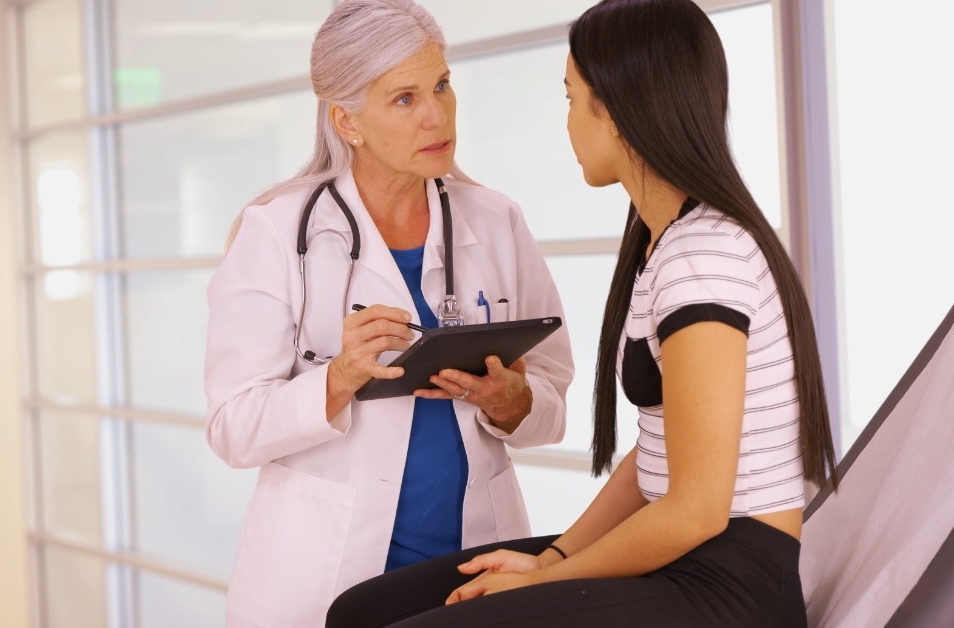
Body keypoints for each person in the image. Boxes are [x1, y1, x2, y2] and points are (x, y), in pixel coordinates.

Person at [325, 0, 840, 626]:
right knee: (363, 612)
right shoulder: (665, 243)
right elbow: (658, 453)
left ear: (618, 113)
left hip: (729, 585)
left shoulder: (704, 255)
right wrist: (556, 555)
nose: (567, 122)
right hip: (685, 555)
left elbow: (699, 510)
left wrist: (551, 576)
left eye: (571, 98)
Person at [204, 1, 574, 626]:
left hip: (471, 567)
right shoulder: (277, 231)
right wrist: (338, 378)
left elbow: (553, 398)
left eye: (441, 85)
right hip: (323, 575)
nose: (437, 115)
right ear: (346, 120)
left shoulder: (496, 220)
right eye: (403, 99)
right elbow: (232, 425)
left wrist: (514, 402)